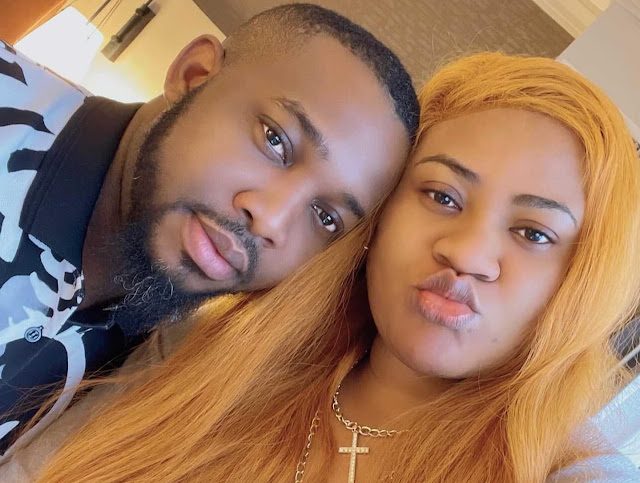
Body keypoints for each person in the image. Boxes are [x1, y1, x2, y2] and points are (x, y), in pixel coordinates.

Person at [11, 52, 640, 482]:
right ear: (380, 212)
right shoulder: (204, 347)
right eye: (442, 196)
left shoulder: (567, 471)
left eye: (533, 233)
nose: (467, 253)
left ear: (581, 280)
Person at [0, 4, 419, 457]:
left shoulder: (147, 359)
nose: (272, 220)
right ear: (193, 75)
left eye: (325, 217)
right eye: (275, 141)